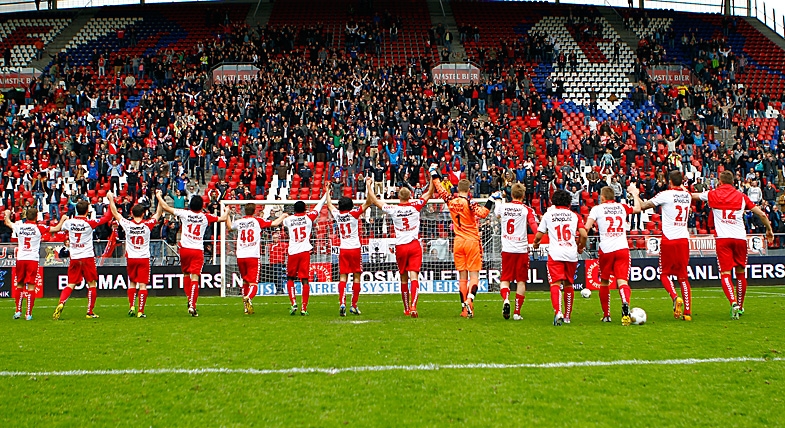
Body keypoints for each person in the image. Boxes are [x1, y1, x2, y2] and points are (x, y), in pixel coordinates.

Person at [692, 170, 774, 319]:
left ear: (720, 181)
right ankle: (740, 306)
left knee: (725, 273)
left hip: (723, 239)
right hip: (740, 238)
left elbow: (694, 196)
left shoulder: (712, 194)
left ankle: (733, 302)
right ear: (733, 182)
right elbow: (762, 214)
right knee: (741, 273)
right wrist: (769, 230)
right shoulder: (741, 196)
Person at [629, 171, 693, 320]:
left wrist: (635, 193)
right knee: (683, 277)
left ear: (669, 181)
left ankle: (675, 297)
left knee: (664, 274)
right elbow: (684, 191)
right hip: (683, 239)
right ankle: (688, 313)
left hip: (669, 239)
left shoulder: (665, 195)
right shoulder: (687, 196)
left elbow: (643, 206)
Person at [367, 176, 435, 318]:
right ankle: (414, 306)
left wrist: (368, 185)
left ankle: (406, 309)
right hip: (414, 245)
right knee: (414, 276)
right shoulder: (416, 205)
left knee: (403, 278)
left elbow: (375, 201)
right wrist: (432, 179)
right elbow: (429, 193)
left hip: (401, 246)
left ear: (399, 197)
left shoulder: (393, 209)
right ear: (410, 196)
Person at [430, 168, 491, 318]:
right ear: (469, 190)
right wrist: (491, 200)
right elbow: (483, 214)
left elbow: (440, 189)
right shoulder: (470, 202)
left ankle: (464, 310)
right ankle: (470, 300)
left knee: (462, 277)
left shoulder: (450, 200)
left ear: (457, 189)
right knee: (474, 275)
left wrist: (434, 174)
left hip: (458, 242)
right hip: (471, 241)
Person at [157, 192, 228, 317]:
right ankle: (192, 305)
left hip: (184, 249)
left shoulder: (185, 213)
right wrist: (226, 211)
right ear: (202, 206)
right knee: (195, 277)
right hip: (197, 250)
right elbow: (222, 219)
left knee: (186, 274)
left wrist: (158, 196)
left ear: (190, 205)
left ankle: (189, 299)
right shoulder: (205, 217)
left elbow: (166, 207)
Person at [584, 186, 642, 325]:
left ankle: (606, 315)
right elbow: (638, 209)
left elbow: (586, 227)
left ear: (602, 197)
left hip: (606, 249)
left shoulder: (597, 209)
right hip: (622, 248)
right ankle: (625, 303)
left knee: (604, 281)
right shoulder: (621, 207)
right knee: (622, 281)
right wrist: (635, 194)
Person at [533, 190, 587, 325]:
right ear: (569, 203)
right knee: (569, 284)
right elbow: (584, 234)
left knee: (555, 283)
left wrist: (535, 243)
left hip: (555, 253)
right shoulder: (575, 216)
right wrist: (580, 246)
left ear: (553, 201)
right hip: (571, 253)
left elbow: (539, 234)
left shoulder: (549, 215)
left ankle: (558, 312)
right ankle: (567, 316)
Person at [107, 190, 163, 318]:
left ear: (131, 213)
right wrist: (159, 198)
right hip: (143, 258)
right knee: (142, 285)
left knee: (132, 282)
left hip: (131, 257)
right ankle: (140, 311)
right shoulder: (147, 224)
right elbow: (158, 214)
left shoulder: (127, 224)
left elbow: (115, 213)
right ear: (143, 214)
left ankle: (132, 306)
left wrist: (110, 199)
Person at [52, 200, 112, 320]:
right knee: (92, 284)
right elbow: (107, 218)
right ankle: (90, 312)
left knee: (71, 284)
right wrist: (110, 202)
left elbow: (57, 229)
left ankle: (61, 302)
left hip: (74, 257)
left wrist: (62, 220)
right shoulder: (89, 222)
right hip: (87, 256)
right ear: (87, 211)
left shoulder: (69, 223)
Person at [6, 208, 67, 320]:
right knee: (31, 285)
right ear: (36, 217)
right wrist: (63, 219)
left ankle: (18, 311)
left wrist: (7, 214)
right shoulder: (39, 227)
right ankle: (28, 314)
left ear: (26, 216)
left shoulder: (20, 226)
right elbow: (57, 228)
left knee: (19, 284)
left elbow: (7, 222)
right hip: (32, 259)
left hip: (21, 258)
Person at [227, 203, 287, 315]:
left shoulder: (239, 222)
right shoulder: (257, 221)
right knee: (253, 283)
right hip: (253, 256)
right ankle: (248, 297)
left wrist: (226, 214)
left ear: (244, 211)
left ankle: (246, 308)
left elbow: (230, 227)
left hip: (240, 256)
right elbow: (274, 223)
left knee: (245, 281)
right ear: (254, 211)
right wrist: (283, 216)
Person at [489, 184, 538, 320]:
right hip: (521, 249)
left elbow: (497, 212)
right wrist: (537, 238)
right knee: (521, 281)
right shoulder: (526, 209)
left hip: (507, 249)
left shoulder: (503, 207)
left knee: (505, 279)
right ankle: (517, 312)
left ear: (511, 195)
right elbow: (533, 224)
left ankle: (506, 299)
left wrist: (498, 200)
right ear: (523, 195)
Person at [326, 178, 373, 316]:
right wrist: (368, 185)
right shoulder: (353, 214)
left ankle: (342, 303)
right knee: (357, 276)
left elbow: (329, 204)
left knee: (343, 277)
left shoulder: (337, 215)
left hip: (343, 249)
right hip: (355, 249)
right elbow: (369, 202)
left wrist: (327, 190)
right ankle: (353, 305)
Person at [282, 194, 327, 316]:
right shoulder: (308, 218)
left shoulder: (288, 220)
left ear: (294, 209)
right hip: (304, 252)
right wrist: (326, 194)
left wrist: (285, 215)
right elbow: (318, 207)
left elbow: (282, 222)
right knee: (305, 279)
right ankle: (304, 308)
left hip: (293, 251)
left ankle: (293, 303)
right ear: (305, 209)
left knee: (290, 278)